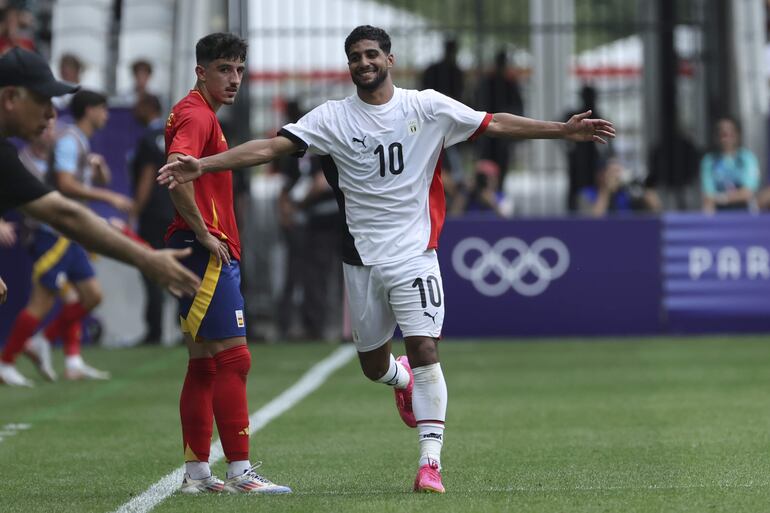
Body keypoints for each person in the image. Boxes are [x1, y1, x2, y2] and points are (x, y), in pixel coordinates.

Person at [158, 25, 614, 494]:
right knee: (373, 365)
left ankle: (430, 463)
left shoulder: (427, 106)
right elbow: (272, 147)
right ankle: (400, 382)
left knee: (426, 349)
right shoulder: (333, 118)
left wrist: (561, 130)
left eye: (372, 54)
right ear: (349, 64)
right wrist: (207, 164)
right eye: (355, 56)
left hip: (415, 255)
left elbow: (493, 121)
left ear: (390, 59)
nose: (364, 62)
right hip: (362, 261)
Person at [0, 47, 200, 383]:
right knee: (53, 297)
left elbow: (66, 212)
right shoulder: (69, 142)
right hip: (53, 233)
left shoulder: (8, 152)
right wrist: (147, 259)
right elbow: (64, 210)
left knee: (88, 295)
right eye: (43, 101)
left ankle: (58, 352)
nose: (52, 115)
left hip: (64, 227)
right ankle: (15, 357)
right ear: (9, 98)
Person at [163, 32, 291, 495]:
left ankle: (197, 474)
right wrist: (202, 232)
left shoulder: (196, 111)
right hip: (206, 251)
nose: (234, 78)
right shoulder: (197, 115)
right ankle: (240, 472)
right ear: (201, 71)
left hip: (195, 248)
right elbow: (178, 171)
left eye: (239, 69)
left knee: (204, 365)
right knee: (234, 359)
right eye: (224, 69)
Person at [131, 93, 174, 344]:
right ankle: (190, 327)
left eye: (138, 106)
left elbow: (147, 177)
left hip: (152, 215)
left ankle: (154, 330)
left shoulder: (147, 140)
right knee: (177, 268)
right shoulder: (172, 136)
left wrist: (135, 211)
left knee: (151, 268)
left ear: (149, 107)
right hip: (174, 210)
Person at [475, 49, 524, 189]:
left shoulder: (495, 82)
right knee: (491, 167)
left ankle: (491, 192)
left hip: (489, 130)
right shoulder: (498, 82)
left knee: (491, 167)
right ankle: (491, 193)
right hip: (494, 131)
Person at [700, 117, 760, 213]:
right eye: (722, 134)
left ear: (737, 135)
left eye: (730, 134)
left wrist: (722, 198)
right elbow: (708, 195)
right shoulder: (709, 160)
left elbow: (748, 192)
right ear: (716, 137)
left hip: (745, 209)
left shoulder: (747, 158)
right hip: (718, 210)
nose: (726, 138)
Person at [565, 85, 606, 211]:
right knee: (575, 189)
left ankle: (587, 211)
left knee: (591, 189)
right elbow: (561, 129)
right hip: (578, 158)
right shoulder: (575, 115)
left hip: (591, 158)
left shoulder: (598, 115)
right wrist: (569, 148)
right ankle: (573, 212)